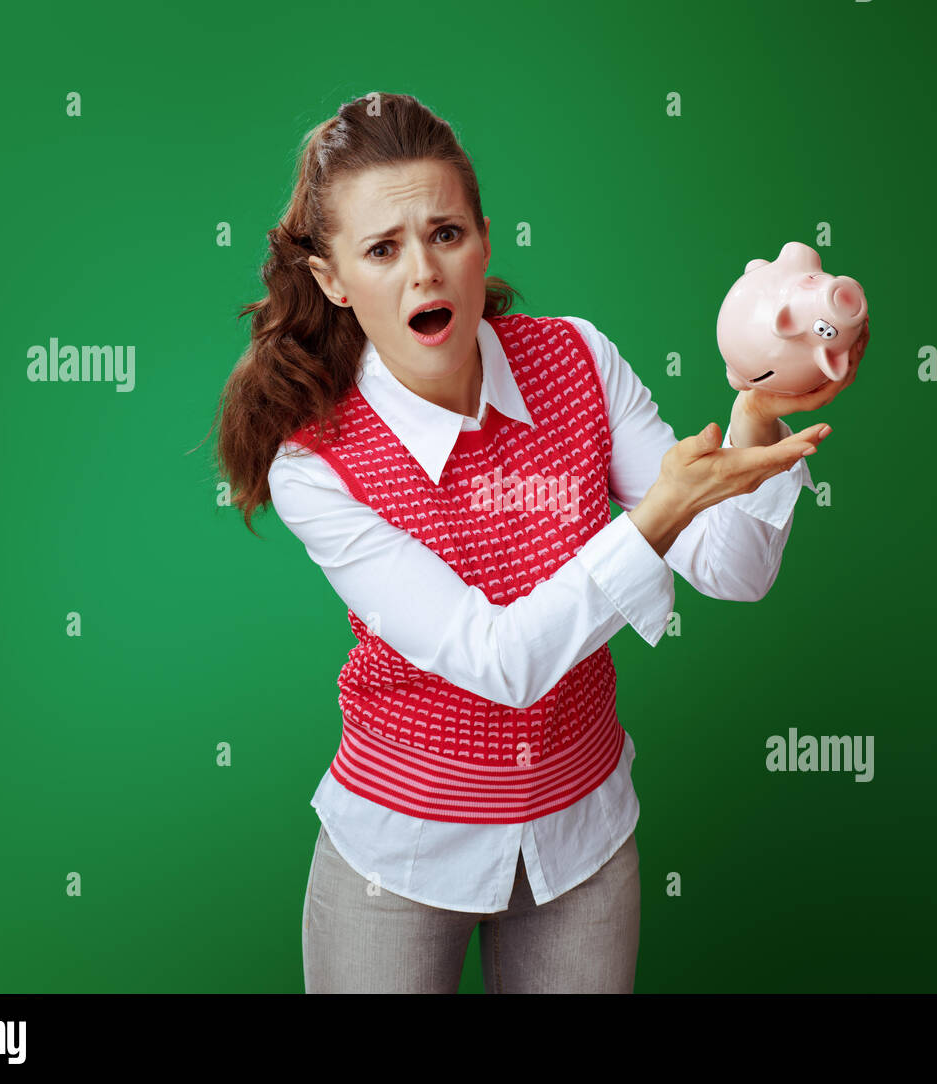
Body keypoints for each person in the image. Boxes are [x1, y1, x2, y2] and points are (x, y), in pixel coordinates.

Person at [212, 92, 865, 994]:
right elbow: (499, 659)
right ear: (331, 279)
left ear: (483, 237)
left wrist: (757, 414)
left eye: (444, 234)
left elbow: (734, 570)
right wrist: (653, 520)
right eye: (381, 249)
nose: (422, 275)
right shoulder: (315, 463)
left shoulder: (578, 360)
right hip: (398, 854)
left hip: (581, 839)